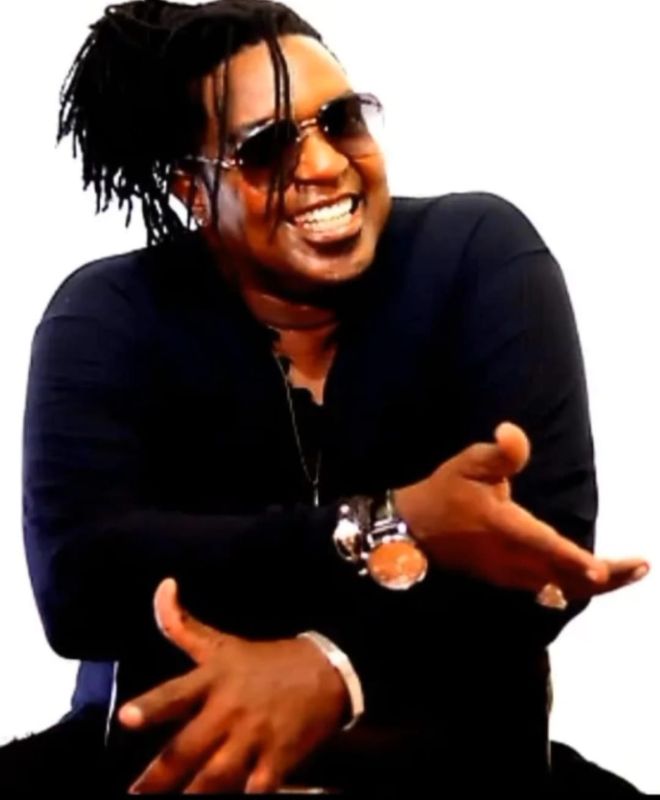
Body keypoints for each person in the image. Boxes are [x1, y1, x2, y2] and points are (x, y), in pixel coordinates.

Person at [7, 0, 649, 793]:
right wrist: (395, 524)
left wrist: (331, 670)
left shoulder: (477, 256)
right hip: (165, 772)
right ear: (193, 192)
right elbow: (83, 582)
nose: (323, 165)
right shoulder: (109, 313)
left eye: (341, 120)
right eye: (265, 148)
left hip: (460, 773)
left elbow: (540, 554)